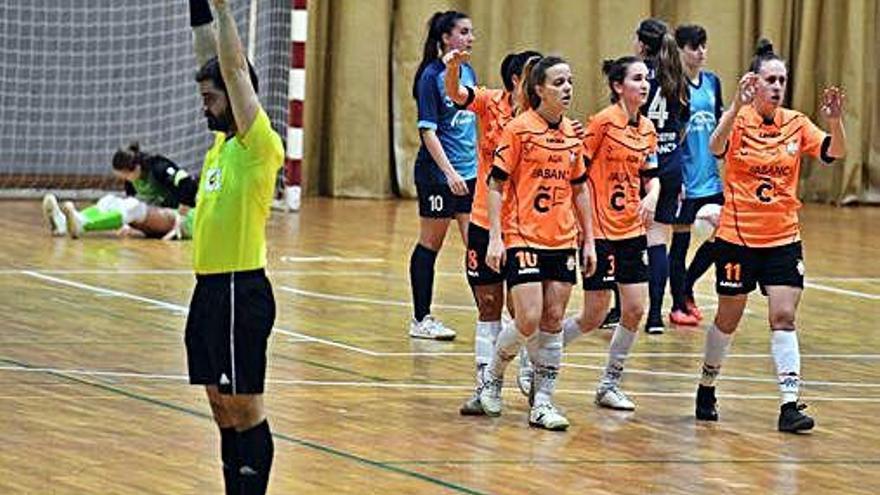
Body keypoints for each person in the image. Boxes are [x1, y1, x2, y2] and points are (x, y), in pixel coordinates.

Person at [695, 39, 846, 432]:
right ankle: (707, 385)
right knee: (728, 317)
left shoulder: (796, 123)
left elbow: (835, 152)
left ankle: (789, 405)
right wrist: (734, 107)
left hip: (782, 236)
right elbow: (715, 147)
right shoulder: (739, 120)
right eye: (770, 80)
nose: (777, 86)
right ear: (754, 83)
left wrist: (833, 121)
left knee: (783, 317)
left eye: (782, 80)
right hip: (737, 239)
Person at [186, 0, 284, 492]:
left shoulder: (256, 144)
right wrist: (200, 6)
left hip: (238, 292)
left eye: (212, 97)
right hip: (208, 293)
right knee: (220, 406)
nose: (205, 104)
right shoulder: (220, 148)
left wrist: (225, 11)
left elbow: (232, 69)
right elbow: (210, 58)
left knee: (245, 407)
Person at [478, 55, 596, 430]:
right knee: (527, 318)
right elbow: (495, 185)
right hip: (523, 235)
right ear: (539, 89)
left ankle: (543, 402)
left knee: (554, 319)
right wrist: (496, 238)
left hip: (561, 239)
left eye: (570, 81)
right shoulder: (519, 129)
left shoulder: (573, 136)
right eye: (559, 82)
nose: (567, 89)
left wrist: (588, 240)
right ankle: (494, 375)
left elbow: (580, 190)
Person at [444, 49, 541, 415]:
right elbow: (456, 94)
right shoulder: (490, 103)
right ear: (518, 79)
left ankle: (529, 369)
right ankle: (485, 387)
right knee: (488, 305)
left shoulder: (543, 119)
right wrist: (452, 69)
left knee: (525, 310)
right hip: (486, 220)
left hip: (528, 228)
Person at [560, 56, 660, 411]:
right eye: (636, 79)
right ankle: (541, 354)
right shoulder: (602, 123)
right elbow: (577, 172)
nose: (644, 85)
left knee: (635, 309)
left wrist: (653, 194)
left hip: (631, 229)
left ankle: (609, 384)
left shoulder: (647, 128)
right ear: (619, 86)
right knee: (594, 315)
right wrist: (582, 230)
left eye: (646, 79)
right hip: (600, 230)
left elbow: (651, 172)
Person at [408, 11, 478, 341]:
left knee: (476, 243)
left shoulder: (467, 72)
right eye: (464, 32)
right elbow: (429, 131)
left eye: (471, 32)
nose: (470, 38)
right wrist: (449, 172)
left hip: (470, 173)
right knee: (431, 243)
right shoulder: (430, 76)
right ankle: (421, 319)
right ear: (446, 38)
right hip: (438, 175)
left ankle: (489, 315)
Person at [632, 18, 691, 334]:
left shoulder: (635, 75)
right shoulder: (676, 76)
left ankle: (620, 308)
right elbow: (683, 127)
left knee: (625, 237)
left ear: (642, 43)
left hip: (639, 160)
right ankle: (655, 316)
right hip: (669, 162)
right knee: (658, 239)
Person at [667, 24, 725, 325]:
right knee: (679, 244)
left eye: (704, 45)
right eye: (694, 46)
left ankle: (688, 286)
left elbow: (719, 130)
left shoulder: (713, 83)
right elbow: (670, 139)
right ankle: (677, 305)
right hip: (685, 182)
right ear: (680, 50)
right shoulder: (673, 87)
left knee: (724, 235)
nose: (700, 52)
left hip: (711, 178)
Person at [42, 142, 197, 239]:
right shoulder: (131, 179)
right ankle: (64, 223)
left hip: (185, 219)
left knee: (134, 207)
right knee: (109, 201)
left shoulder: (159, 166)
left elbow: (188, 183)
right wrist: (127, 225)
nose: (126, 179)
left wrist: (181, 218)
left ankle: (82, 225)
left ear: (135, 168)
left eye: (125, 175)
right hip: (158, 216)